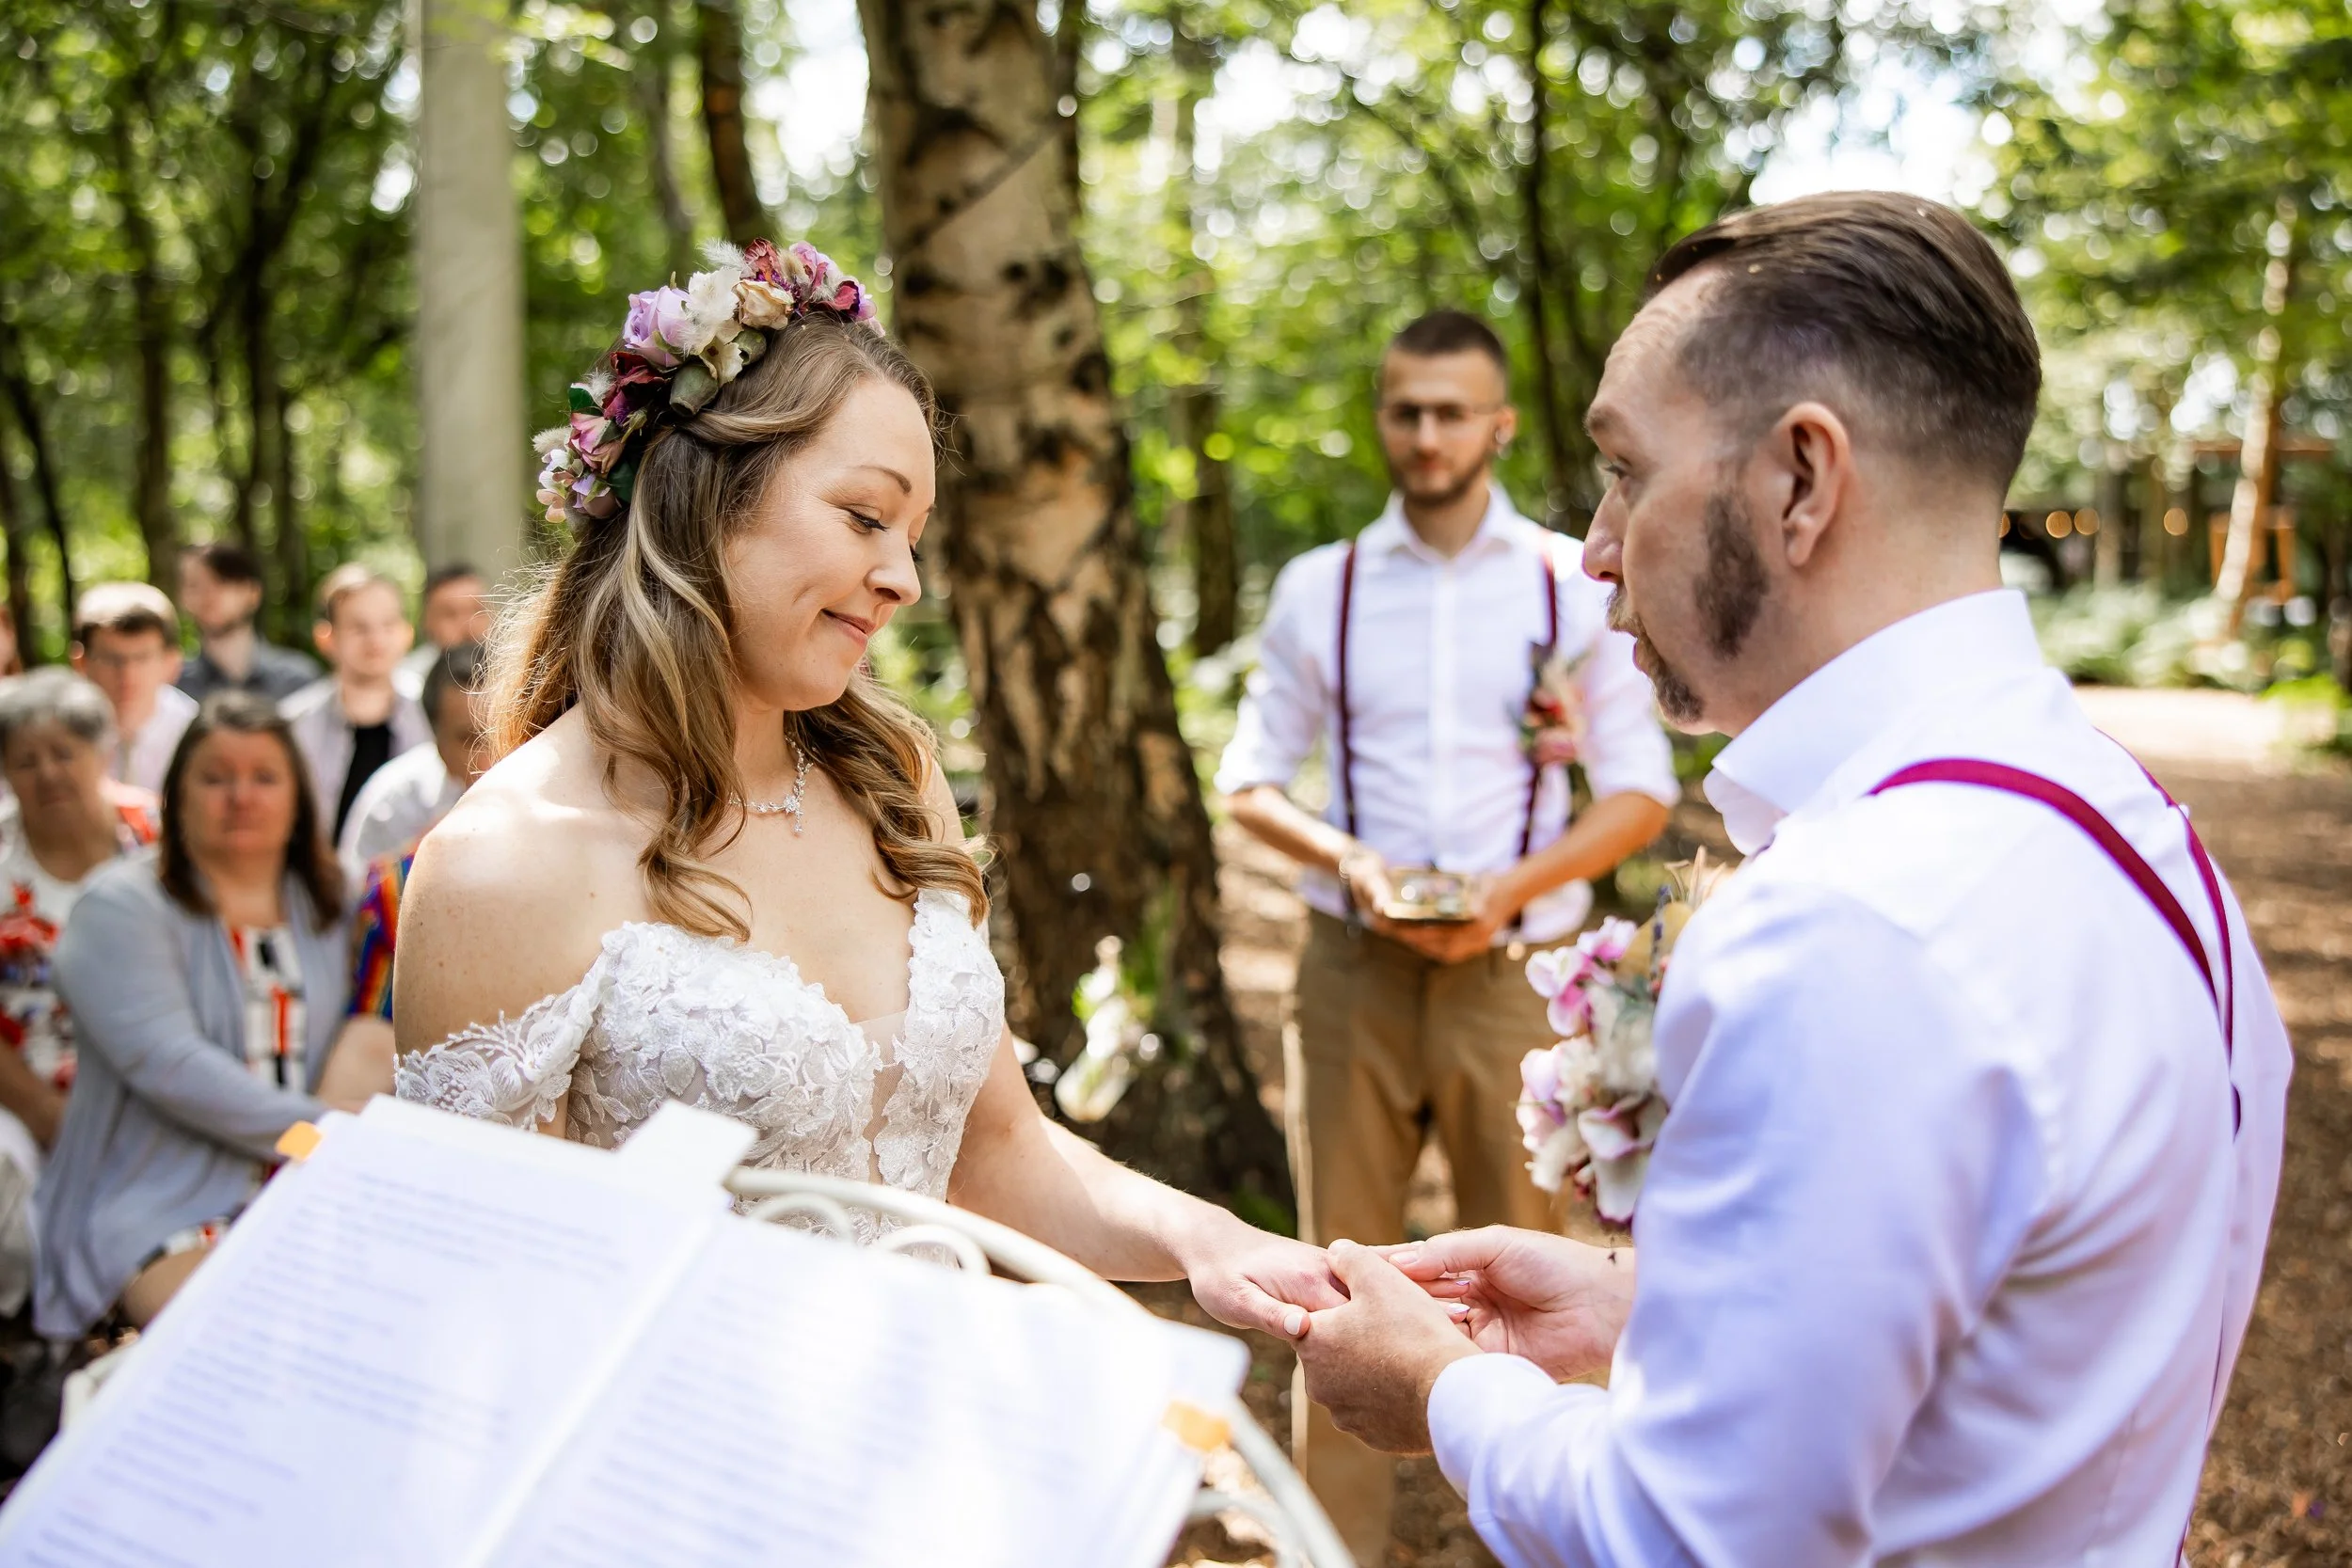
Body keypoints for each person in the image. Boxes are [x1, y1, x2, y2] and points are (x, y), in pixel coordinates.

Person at [1290, 193, 2294, 1567]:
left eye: (1627, 471)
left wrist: (1440, 1388)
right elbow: (2008, 1338)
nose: (1593, 546)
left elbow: (1685, 1540)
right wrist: (1644, 1303)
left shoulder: (1848, 926)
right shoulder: (2136, 833)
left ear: (1800, 482)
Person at [394, 237, 1339, 1347]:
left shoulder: (893, 780)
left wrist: (1209, 1240)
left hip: (934, 1431)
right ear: (706, 496)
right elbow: (480, 1310)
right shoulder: (504, 861)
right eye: (864, 517)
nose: (906, 578)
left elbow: (996, 1152)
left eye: (915, 534)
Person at [1215, 309, 1677, 1556]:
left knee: (1544, 1292)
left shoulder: (1568, 582)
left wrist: (1513, 886)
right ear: (1383, 415)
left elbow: (1640, 787)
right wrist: (1353, 862)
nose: (1425, 434)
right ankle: (1327, 1548)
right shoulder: (1324, 586)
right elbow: (1250, 778)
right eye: (1404, 408)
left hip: (1510, 979)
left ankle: (1550, 1539)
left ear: (1498, 424)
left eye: (1450, 411)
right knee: (1333, 1281)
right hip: (1352, 972)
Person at [36, 692, 363, 1337]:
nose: (241, 795)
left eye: (264, 777)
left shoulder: (338, 901)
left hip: (318, 1182)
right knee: (236, 1333)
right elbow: (174, 1068)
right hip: (165, 1198)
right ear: (176, 794)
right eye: (215, 777)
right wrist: (331, 1138)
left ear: (299, 796)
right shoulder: (119, 909)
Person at [0, 672, 161, 1316]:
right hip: (30, 1093)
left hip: (157, 1077)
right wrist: (45, 1111)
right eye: (25, 760)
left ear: (102, 753)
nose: (48, 774)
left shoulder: (158, 835)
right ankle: (34, 1332)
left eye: (64, 753)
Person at [281, 564, 430, 844]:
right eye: (359, 628)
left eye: (388, 625)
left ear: (406, 633)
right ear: (326, 638)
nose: (376, 640)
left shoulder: (434, 715)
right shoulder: (293, 725)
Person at [338, 641, 489, 877]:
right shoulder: (390, 806)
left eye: (504, 733)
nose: (495, 755)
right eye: (472, 740)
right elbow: (360, 904)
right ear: (436, 738)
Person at [70, 582, 196, 798]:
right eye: (111, 659)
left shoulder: (196, 735)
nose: (127, 674)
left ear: (172, 663)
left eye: (142, 658)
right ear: (81, 663)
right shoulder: (60, 735)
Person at [174, 542, 318, 704]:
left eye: (222, 580)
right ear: (182, 599)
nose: (208, 594)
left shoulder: (298, 683)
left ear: (253, 593)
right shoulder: (172, 686)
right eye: (194, 585)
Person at [395, 563, 493, 696]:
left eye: (478, 610)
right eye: (450, 614)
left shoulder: (519, 674)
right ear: (426, 622)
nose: (468, 625)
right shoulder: (405, 687)